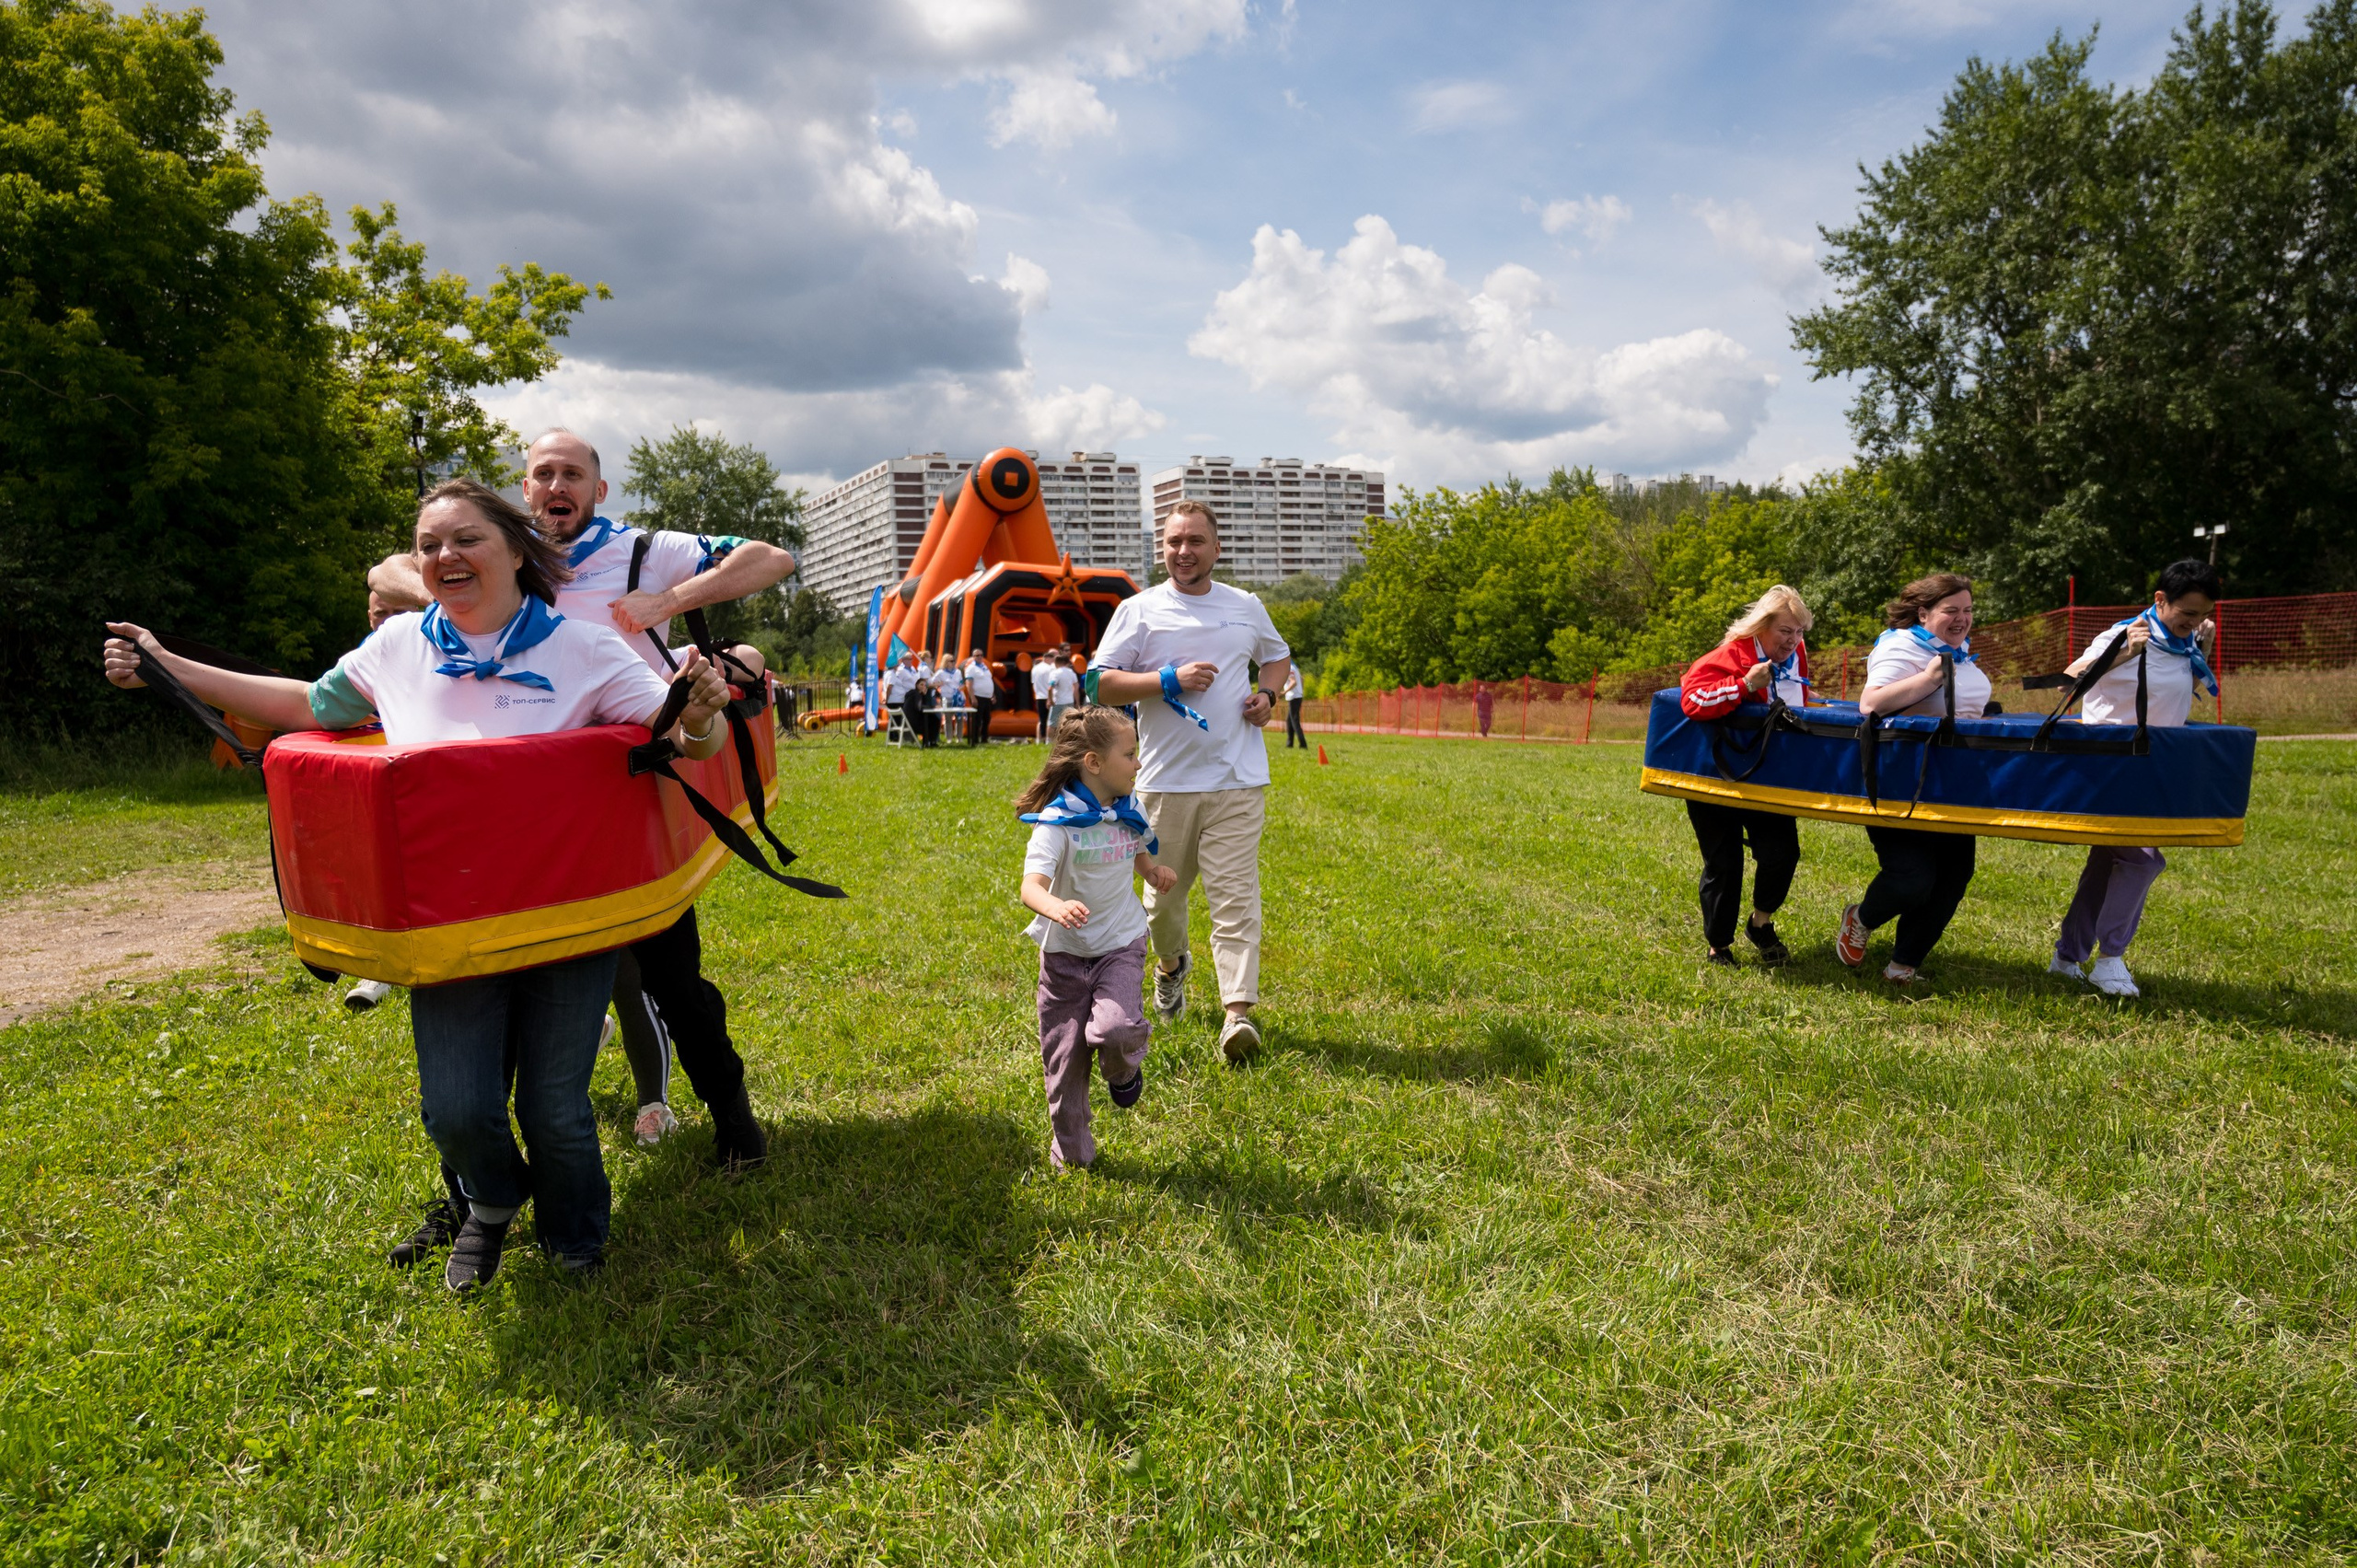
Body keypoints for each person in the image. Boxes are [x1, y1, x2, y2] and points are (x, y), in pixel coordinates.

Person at [107, 480, 731, 1290]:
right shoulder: (397, 645)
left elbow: (680, 736)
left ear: (515, 550)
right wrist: (167, 665)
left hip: (565, 916)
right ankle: (495, 1202)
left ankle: (578, 1231)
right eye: (429, 544)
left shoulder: (583, 646)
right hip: (451, 923)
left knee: (556, 1109)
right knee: (458, 1110)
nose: (445, 556)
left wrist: (703, 712)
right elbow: (306, 703)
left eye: (466, 539)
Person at [369, 430, 795, 1173]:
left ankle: (734, 1119)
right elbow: (387, 569)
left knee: (670, 978)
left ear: (599, 491)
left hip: (629, 790)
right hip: (515, 805)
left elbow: (772, 557)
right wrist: (446, 590)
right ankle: (471, 1185)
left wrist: (668, 598)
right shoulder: (496, 554)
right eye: (542, 474)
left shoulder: (640, 549)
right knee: (489, 978)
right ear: (524, 491)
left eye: (573, 473)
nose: (555, 484)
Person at [1088, 500, 1294, 1062]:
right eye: (1175, 541)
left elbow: (1278, 659)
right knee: (1163, 905)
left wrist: (1268, 696)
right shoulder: (1139, 610)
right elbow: (1098, 686)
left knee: (1236, 898)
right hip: (1163, 784)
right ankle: (1172, 966)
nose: (1184, 551)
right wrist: (1166, 679)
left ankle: (1238, 1015)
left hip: (1238, 780)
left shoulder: (1245, 606)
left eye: (1196, 541)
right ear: (1164, 547)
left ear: (1216, 547)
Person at [2049, 558, 2223, 997]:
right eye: (2187, 614)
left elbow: (2173, 695)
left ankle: (2067, 957)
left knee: (2107, 863)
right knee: (2143, 859)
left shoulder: (2182, 642)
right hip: (2108, 769)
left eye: (2202, 614)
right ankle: (2110, 960)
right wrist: (2124, 652)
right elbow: (2067, 684)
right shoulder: (2124, 634)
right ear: (2160, 600)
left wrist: (2199, 646)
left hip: (2152, 769)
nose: (2194, 622)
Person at [1016, 707, 1180, 1169]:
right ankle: (1073, 1153)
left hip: (1120, 943)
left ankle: (1123, 1066)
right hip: (1065, 958)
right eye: (1130, 754)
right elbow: (1031, 887)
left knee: (1115, 1028)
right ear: (1093, 762)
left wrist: (1155, 870)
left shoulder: (1130, 809)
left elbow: (1138, 851)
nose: (1138, 763)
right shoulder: (1057, 823)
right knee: (1064, 1067)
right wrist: (1055, 907)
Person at [1836, 573, 1993, 984]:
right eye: (1951, 611)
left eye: (1968, 610)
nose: (1962, 619)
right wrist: (1927, 679)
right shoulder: (1902, 646)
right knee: (1912, 878)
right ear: (1923, 613)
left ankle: (1903, 965)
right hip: (1901, 784)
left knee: (1953, 875)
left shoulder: (1958, 651)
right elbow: (1870, 704)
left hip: (1956, 783)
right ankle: (1861, 917)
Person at [1677, 585, 1816, 967]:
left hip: (1771, 775)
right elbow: (1693, 701)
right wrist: (1745, 685)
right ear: (1761, 628)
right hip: (1717, 776)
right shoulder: (1729, 655)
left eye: (1801, 631)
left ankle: (1760, 923)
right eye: (1786, 631)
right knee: (1725, 863)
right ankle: (1718, 946)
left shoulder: (1796, 654)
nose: (1794, 640)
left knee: (1782, 854)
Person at [886, 650, 923, 744]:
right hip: (905, 696)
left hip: (913, 694)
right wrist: (887, 698)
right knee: (902, 718)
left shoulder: (913, 669)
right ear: (903, 660)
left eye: (912, 659)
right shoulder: (900, 671)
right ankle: (900, 737)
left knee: (903, 718)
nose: (911, 661)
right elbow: (892, 685)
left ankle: (906, 737)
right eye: (909, 659)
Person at [928, 652, 963, 745]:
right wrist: (939, 684)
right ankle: (949, 738)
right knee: (948, 718)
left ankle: (959, 737)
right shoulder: (940, 672)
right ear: (946, 662)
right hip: (946, 697)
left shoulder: (958, 672)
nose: (953, 663)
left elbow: (961, 683)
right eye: (951, 661)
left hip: (957, 697)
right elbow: (931, 683)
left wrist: (960, 688)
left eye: (954, 661)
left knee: (959, 718)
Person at [963, 648, 997, 745]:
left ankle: (984, 738)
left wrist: (992, 695)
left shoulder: (984, 667)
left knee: (987, 719)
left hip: (987, 697)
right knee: (977, 719)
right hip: (978, 696)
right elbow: (969, 683)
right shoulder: (971, 668)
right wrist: (972, 697)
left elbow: (989, 681)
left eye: (981, 655)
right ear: (973, 657)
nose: (980, 657)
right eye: (977, 655)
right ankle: (974, 739)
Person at [1046, 648, 1081, 733]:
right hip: (1069, 702)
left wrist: (1050, 700)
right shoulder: (1072, 673)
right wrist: (1077, 702)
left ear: (1056, 663)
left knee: (1052, 724)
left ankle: (1048, 742)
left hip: (1058, 702)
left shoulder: (1055, 673)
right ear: (1067, 663)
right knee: (1067, 724)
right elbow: (1076, 688)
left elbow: (1050, 688)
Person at [1031, 646, 1058, 739]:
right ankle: (1048, 738)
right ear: (1047, 658)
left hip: (1038, 696)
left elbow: (1033, 682)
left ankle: (1041, 738)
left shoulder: (1035, 668)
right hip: (1048, 697)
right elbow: (1052, 684)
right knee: (1050, 721)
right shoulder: (1050, 669)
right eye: (1052, 658)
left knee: (1042, 720)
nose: (1052, 661)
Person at [1283, 665, 1307, 749]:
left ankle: (1303, 744)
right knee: (1289, 721)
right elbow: (1302, 679)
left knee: (1294, 721)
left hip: (1294, 697)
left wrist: (1283, 692)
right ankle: (1289, 744)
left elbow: (1293, 682)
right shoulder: (1294, 667)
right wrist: (1301, 691)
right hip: (1296, 696)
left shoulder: (1289, 668)